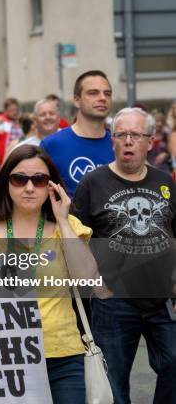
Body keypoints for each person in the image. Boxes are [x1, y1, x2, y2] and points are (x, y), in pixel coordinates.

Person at [0, 144, 106, 403]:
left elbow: (87, 278)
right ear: (6, 183)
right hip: (3, 360)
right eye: (19, 179)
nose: (29, 188)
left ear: (52, 185)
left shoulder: (68, 227)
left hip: (62, 357)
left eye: (39, 180)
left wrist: (62, 219)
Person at [73, 107, 176, 404]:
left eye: (135, 135)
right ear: (112, 141)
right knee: (113, 383)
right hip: (114, 303)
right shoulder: (92, 184)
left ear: (150, 141)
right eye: (121, 135)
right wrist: (95, 286)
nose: (128, 141)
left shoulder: (165, 182)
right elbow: (77, 241)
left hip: (162, 300)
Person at [40, 70, 114, 198]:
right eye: (93, 93)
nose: (102, 98)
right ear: (76, 100)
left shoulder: (121, 143)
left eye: (107, 93)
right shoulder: (52, 145)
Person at [0, 97, 23, 163]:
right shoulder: (0, 120)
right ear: (5, 110)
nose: (15, 112)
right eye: (12, 110)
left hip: (17, 157)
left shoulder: (18, 122)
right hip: (2, 159)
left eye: (16, 110)